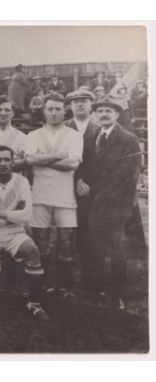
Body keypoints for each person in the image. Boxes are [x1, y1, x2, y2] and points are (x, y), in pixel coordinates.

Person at [82, 96, 143, 309]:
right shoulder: (90, 137)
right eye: (100, 111)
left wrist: (95, 190)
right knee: (95, 249)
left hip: (118, 206)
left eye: (109, 110)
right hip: (95, 205)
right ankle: (95, 291)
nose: (104, 114)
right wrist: (81, 181)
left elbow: (126, 174)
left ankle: (116, 295)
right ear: (95, 115)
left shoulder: (129, 139)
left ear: (117, 114)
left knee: (118, 252)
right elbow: (85, 167)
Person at [0, 145, 49, 321]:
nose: (3, 163)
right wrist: (13, 215)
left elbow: (27, 215)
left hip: (15, 232)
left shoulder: (22, 181)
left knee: (32, 250)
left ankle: (35, 303)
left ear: (13, 162)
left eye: (7, 159)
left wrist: (1, 213)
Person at [24, 93, 83, 301]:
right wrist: (59, 156)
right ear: (44, 111)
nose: (54, 113)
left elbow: (73, 164)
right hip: (40, 196)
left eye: (58, 109)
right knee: (41, 243)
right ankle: (45, 285)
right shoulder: (33, 136)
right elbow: (30, 160)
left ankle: (66, 287)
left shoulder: (74, 136)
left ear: (65, 110)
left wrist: (44, 160)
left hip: (66, 197)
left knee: (66, 244)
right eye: (50, 109)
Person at [64, 89, 100, 295]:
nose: (79, 105)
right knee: (66, 234)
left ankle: (89, 283)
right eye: (75, 101)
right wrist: (77, 179)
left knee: (88, 232)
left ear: (90, 105)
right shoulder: (64, 127)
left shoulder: (99, 127)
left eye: (84, 101)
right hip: (66, 186)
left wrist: (87, 182)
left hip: (90, 190)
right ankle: (66, 282)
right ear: (70, 106)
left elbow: (99, 162)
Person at [0, 95, 28, 173]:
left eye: (7, 110)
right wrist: (14, 158)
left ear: (13, 113)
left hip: (15, 181)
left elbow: (24, 163)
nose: (3, 113)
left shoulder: (22, 137)